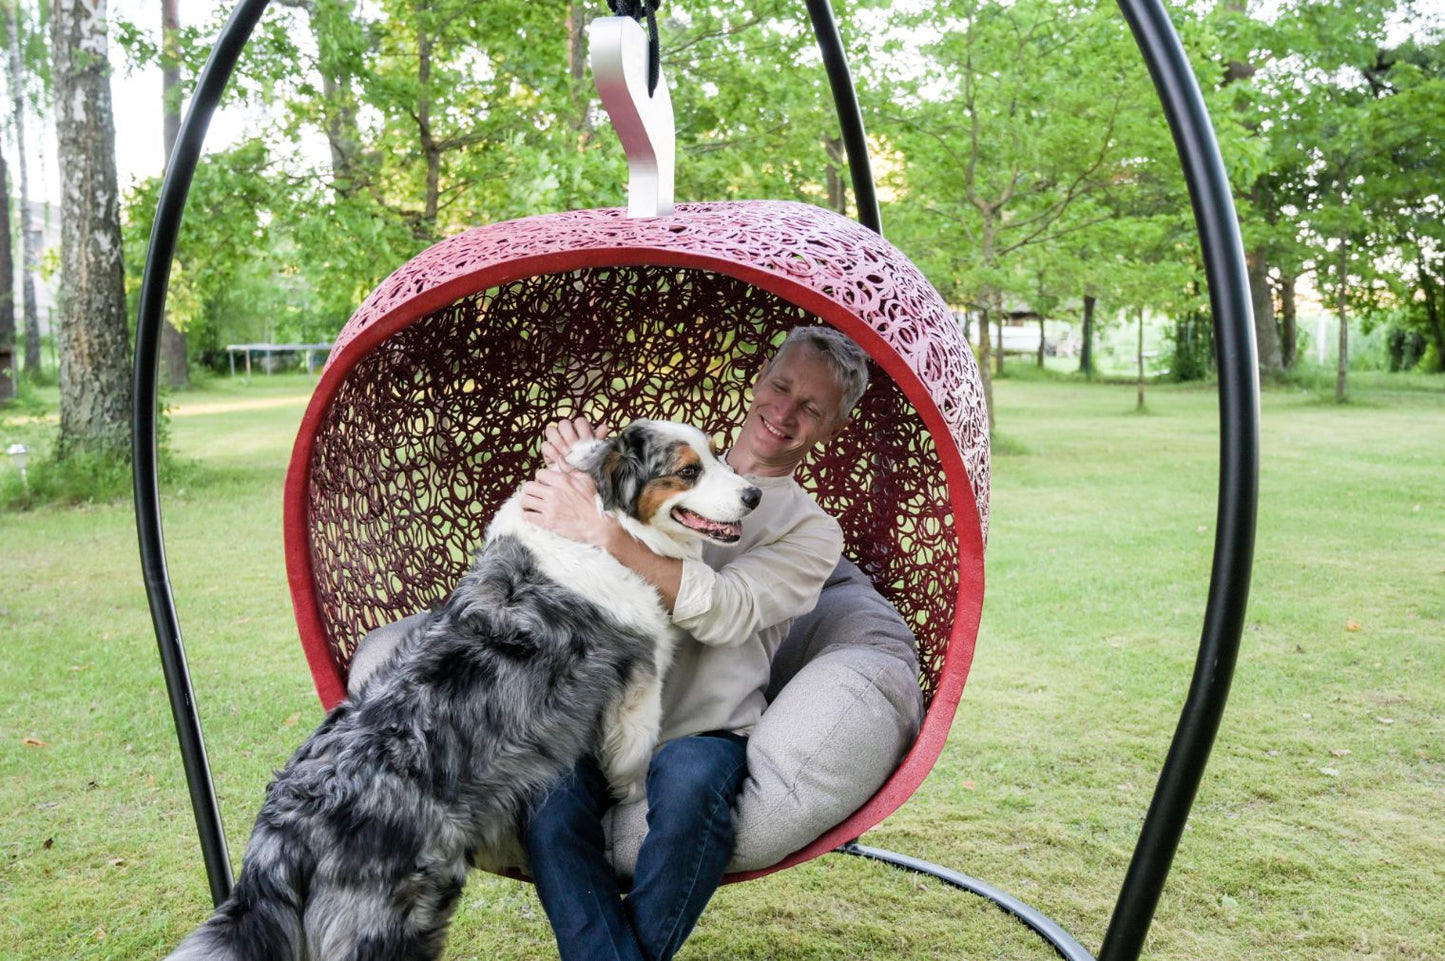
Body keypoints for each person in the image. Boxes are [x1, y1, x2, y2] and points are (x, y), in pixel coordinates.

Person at [517, 326, 870, 961]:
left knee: (688, 789)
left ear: (832, 428)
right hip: (598, 713)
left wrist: (607, 532)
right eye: (781, 386)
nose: (784, 413)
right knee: (545, 799)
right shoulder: (674, 448)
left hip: (703, 730)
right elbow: (563, 544)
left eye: (811, 408)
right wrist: (575, 465)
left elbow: (728, 611)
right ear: (760, 380)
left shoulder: (814, 532)